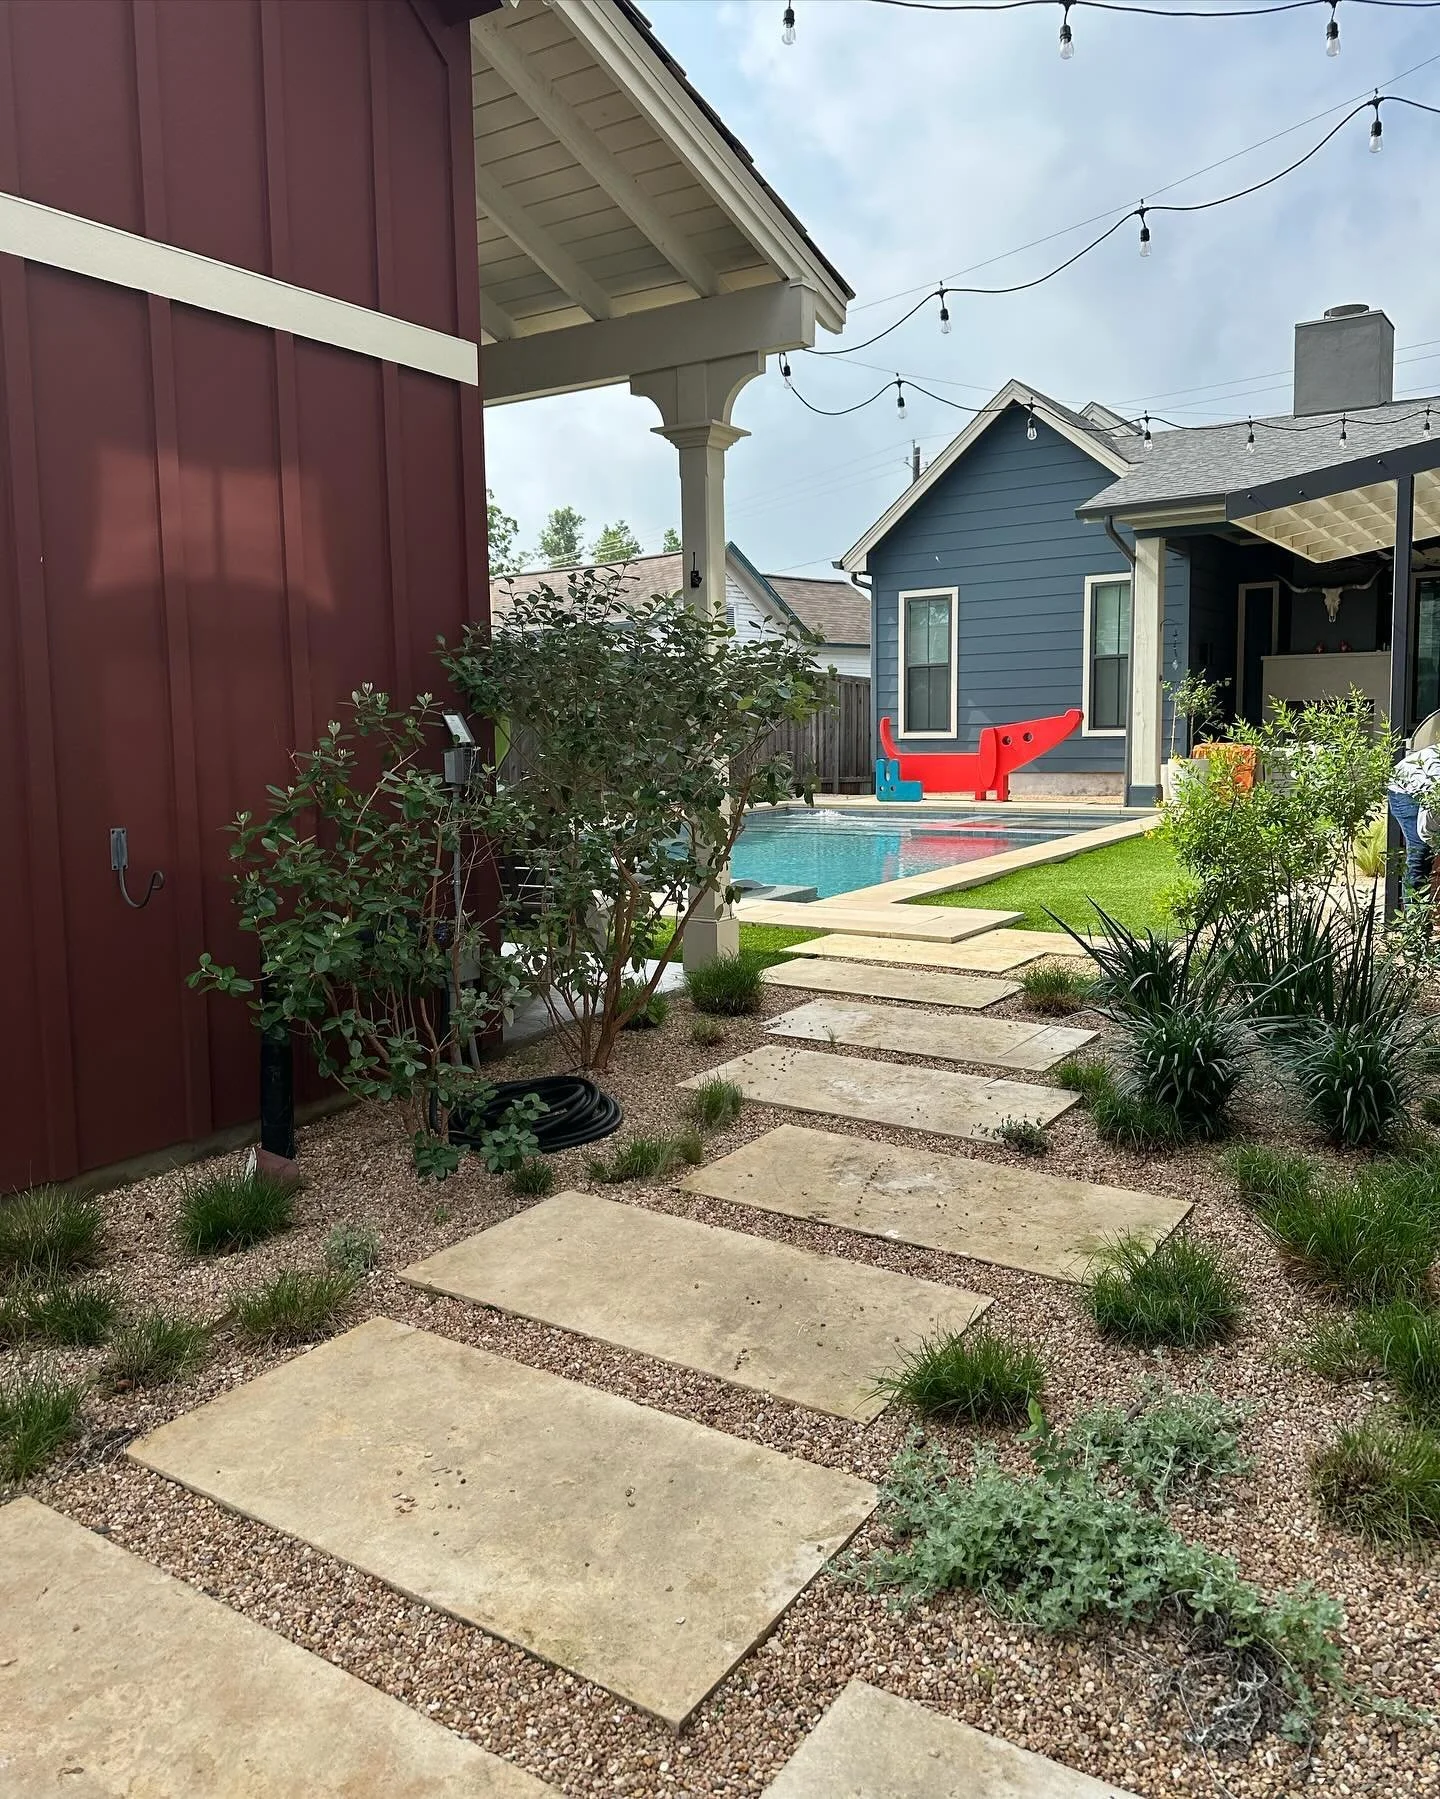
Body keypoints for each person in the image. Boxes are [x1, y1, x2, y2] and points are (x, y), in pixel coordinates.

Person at [1388, 738, 1440, 895]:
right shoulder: (1437, 786)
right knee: (1421, 852)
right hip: (1404, 790)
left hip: (1426, 788)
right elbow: (1428, 829)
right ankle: (1414, 915)